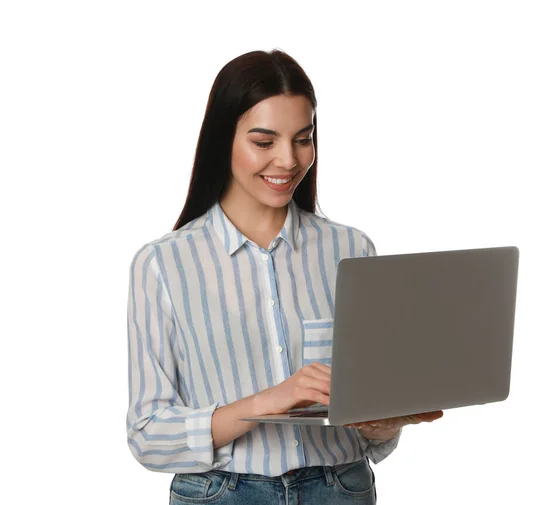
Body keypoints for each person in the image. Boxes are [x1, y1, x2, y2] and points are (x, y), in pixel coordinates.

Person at [126, 48, 443, 504]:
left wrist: (383, 423)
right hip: (223, 494)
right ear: (224, 140)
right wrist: (263, 403)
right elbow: (148, 434)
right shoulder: (162, 265)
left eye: (302, 138)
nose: (288, 160)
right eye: (263, 141)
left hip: (340, 488)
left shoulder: (352, 250)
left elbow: (373, 423)